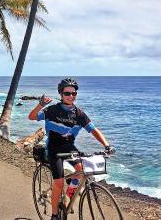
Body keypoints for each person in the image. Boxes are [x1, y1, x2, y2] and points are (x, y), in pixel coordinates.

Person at [28, 78, 115, 220]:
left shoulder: (79, 114)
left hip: (69, 148)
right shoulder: (52, 110)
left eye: (74, 93)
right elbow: (31, 117)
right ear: (61, 94)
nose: (71, 96)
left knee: (82, 172)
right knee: (59, 182)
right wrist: (40, 105)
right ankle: (55, 215)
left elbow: (93, 130)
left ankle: (67, 198)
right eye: (67, 93)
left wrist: (107, 145)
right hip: (53, 149)